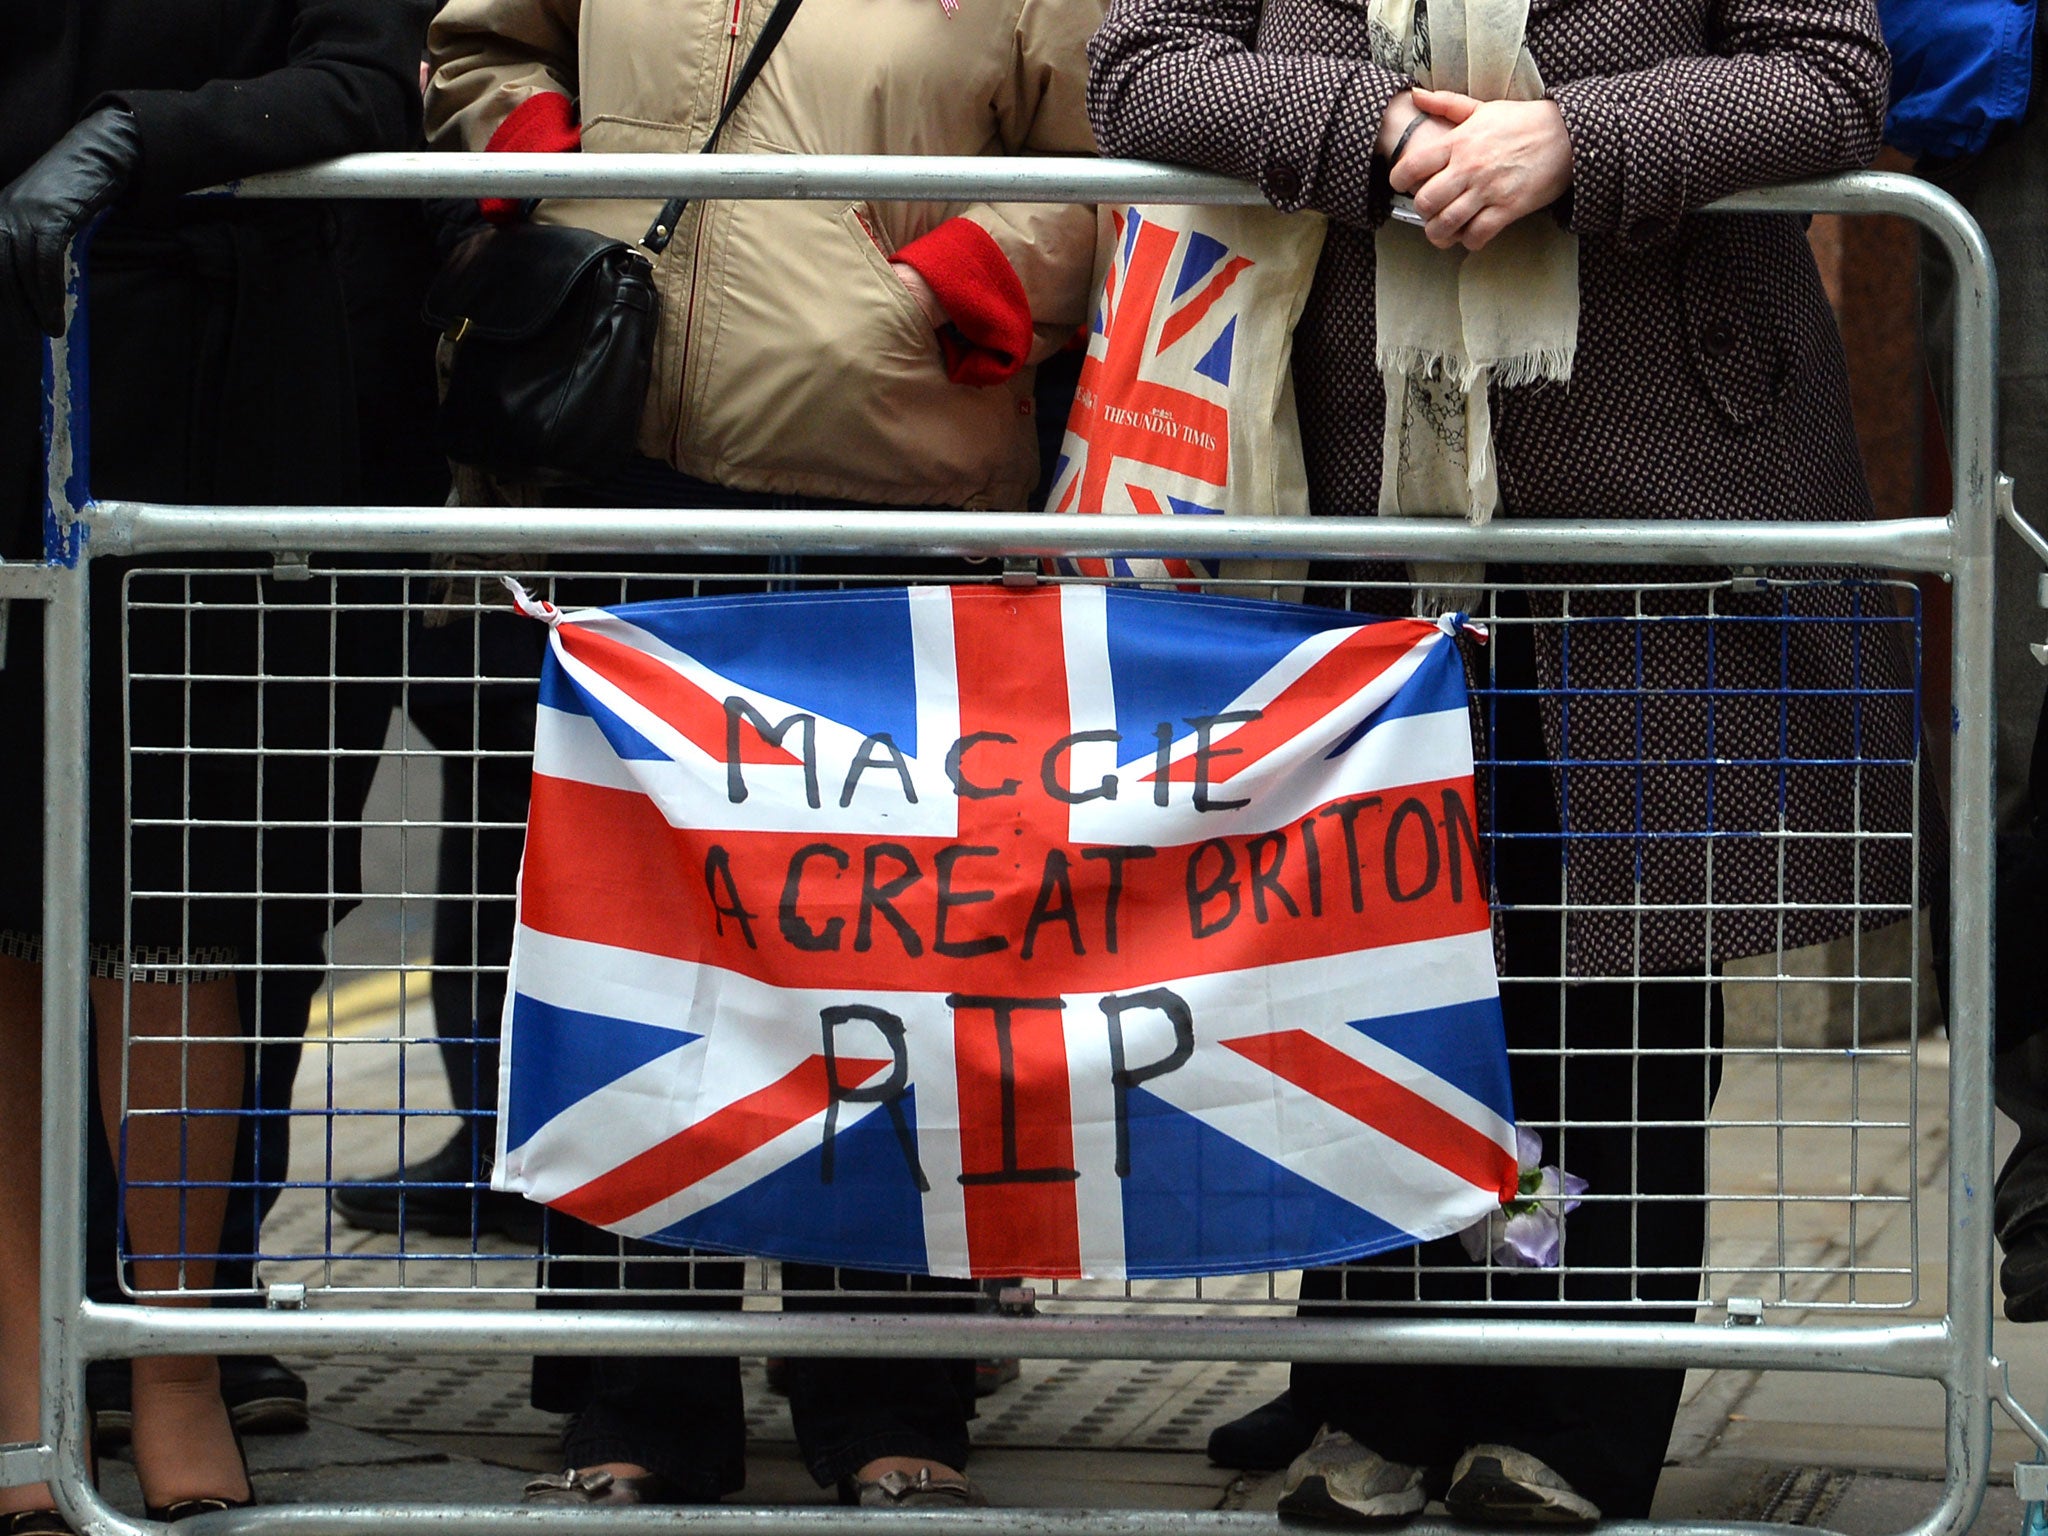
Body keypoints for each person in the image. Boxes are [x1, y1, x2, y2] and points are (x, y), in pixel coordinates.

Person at [1089, 0, 1911, 1523]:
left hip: (1649, 506)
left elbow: (1830, 75)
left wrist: (1579, 144)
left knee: (1612, 1000)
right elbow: (1142, 65)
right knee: (1373, 974)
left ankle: (1574, 1416)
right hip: (1354, 507)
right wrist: (1380, 133)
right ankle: (1388, 1390)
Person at [420, 0, 1101, 1507]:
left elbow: (1104, 147)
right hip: (610, 461)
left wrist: (960, 279)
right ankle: (635, 1383)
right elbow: (476, 44)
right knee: (622, 943)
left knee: (890, 940)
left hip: (891, 475)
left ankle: (890, 1378)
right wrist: (550, 167)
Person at [0, 2, 423, 1524]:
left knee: (176, 904)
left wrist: (138, 137)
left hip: (226, 418)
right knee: (8, 911)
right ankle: (20, 1386)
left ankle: (172, 1362)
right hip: (11, 354)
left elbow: (365, 78)